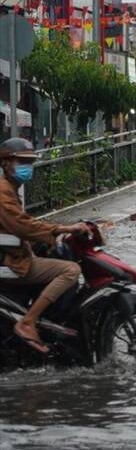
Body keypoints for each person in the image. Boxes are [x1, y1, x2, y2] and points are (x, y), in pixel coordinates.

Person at [0, 138, 90, 354]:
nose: (26, 167)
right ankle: (28, 322)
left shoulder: (10, 187)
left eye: (29, 162)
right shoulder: (3, 190)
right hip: (9, 261)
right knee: (71, 270)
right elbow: (21, 225)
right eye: (21, 162)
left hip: (13, 253)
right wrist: (60, 229)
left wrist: (47, 236)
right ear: (5, 163)